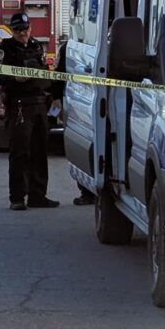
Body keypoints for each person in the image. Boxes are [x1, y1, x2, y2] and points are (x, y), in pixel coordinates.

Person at [0, 11, 58, 211]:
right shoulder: (6, 49)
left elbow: (45, 73)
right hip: (20, 104)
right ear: (13, 31)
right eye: (18, 30)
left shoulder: (35, 46)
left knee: (40, 151)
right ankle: (17, 197)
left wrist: (55, 96)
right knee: (20, 152)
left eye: (25, 29)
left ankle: (38, 195)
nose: (23, 33)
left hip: (39, 104)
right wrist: (15, 78)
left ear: (30, 28)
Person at [53, 37, 96, 205]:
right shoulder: (70, 48)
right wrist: (57, 98)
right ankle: (86, 191)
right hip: (77, 103)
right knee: (81, 142)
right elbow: (60, 73)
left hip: (93, 104)